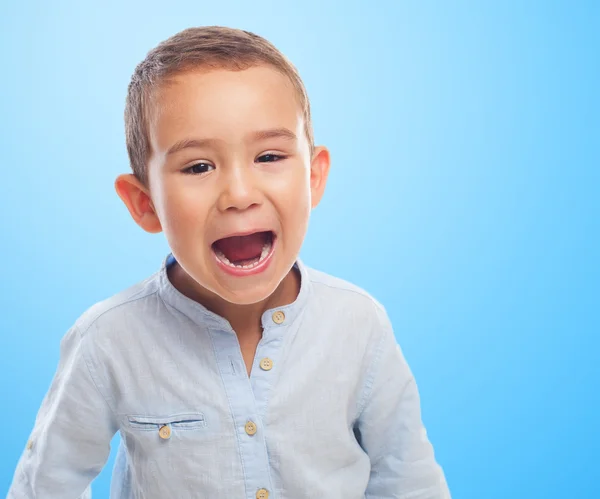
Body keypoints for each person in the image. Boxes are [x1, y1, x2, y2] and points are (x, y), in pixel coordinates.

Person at [8, 26, 450, 499]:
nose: (239, 194)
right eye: (198, 166)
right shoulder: (108, 340)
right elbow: (46, 485)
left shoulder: (359, 324)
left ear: (314, 176)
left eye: (269, 156)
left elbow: (409, 482)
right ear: (144, 204)